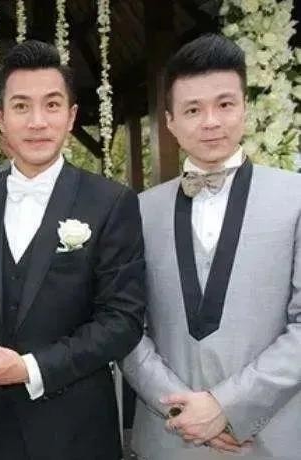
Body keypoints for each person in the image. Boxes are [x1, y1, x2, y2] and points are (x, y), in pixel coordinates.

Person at [0, 40, 146, 460]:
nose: (37, 121)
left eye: (52, 105)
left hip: (76, 431)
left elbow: (122, 321)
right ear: (0, 118)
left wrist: (30, 368)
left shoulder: (110, 202)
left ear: (71, 116)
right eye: (21, 106)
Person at [121, 34, 301, 459]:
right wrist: (180, 408)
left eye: (224, 104)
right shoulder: (137, 211)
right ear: (169, 121)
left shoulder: (295, 198)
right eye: (192, 110)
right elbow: (123, 324)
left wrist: (228, 407)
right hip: (169, 437)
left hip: (269, 438)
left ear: (245, 108)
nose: (211, 122)